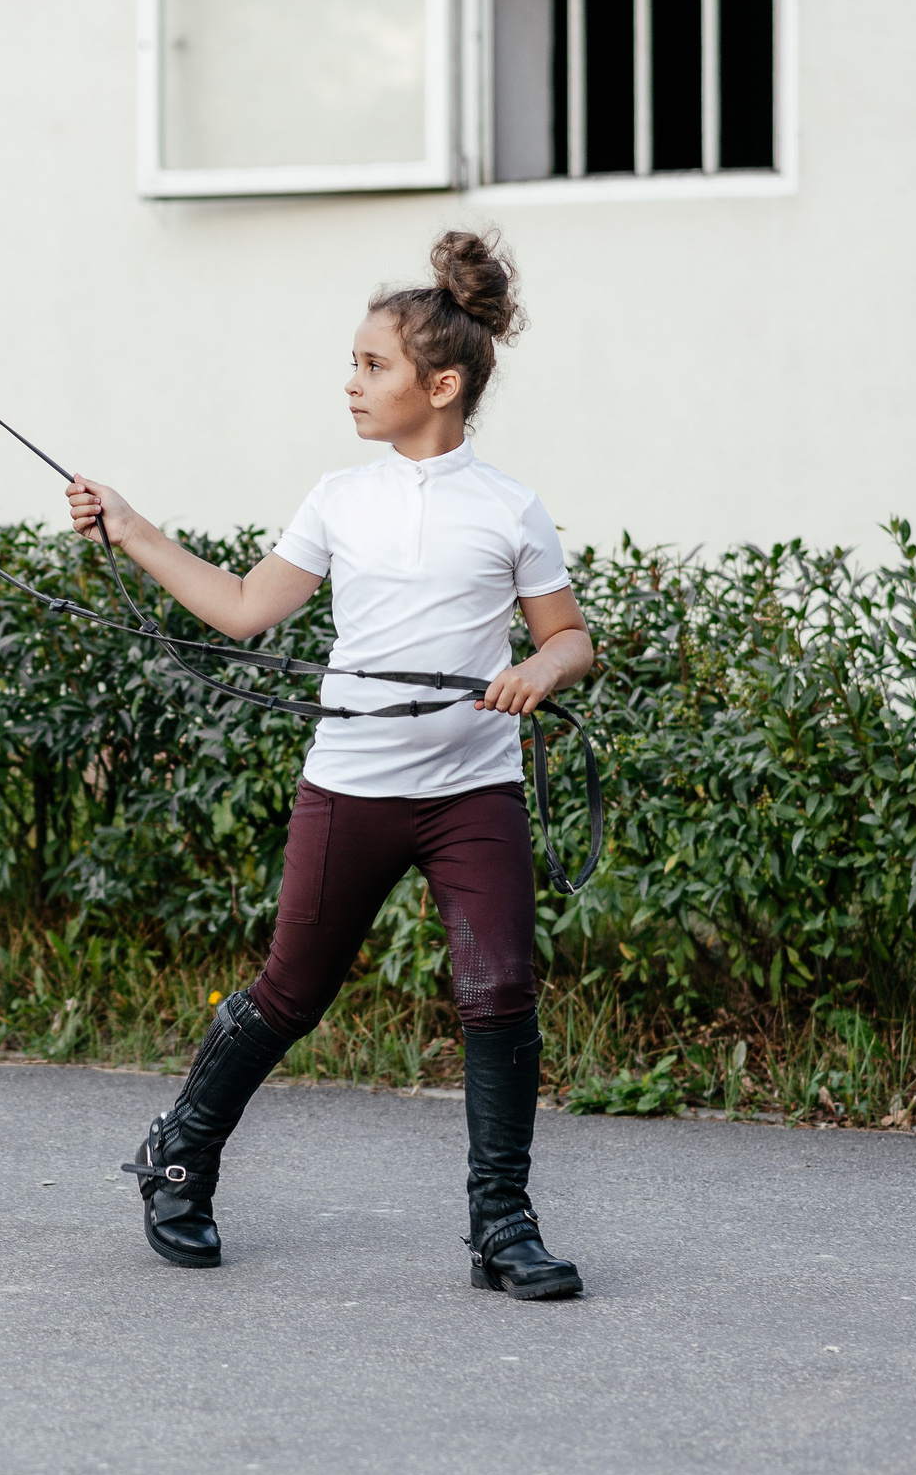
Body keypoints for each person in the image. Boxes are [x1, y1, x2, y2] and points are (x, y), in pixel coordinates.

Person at [66, 229, 593, 1299]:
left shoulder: (508, 507)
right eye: (353, 362)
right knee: (288, 993)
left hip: (470, 791)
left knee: (499, 993)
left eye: (372, 365)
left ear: (438, 385)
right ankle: (178, 1158)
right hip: (350, 784)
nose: (349, 382)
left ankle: (502, 1223)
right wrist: (129, 528)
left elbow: (570, 634)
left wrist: (541, 668)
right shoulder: (337, 499)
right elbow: (247, 607)